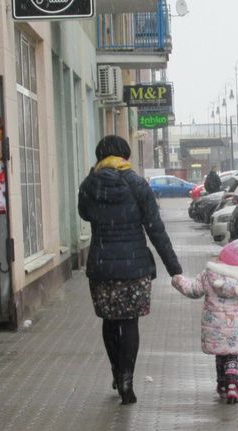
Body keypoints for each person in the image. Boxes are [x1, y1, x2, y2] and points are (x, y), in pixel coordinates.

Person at [78, 135, 183, 405]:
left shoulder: (90, 184)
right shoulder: (137, 184)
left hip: (102, 265)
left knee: (109, 321)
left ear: (99, 156)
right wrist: (175, 269)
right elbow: (155, 228)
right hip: (134, 267)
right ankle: (127, 378)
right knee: (129, 322)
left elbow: (85, 214)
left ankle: (115, 370)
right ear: (125, 156)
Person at [171, 233, 238, 404]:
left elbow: (193, 290)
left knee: (220, 354)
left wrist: (178, 279)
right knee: (232, 355)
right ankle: (233, 385)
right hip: (236, 327)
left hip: (215, 327)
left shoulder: (208, 274)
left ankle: (222, 385)